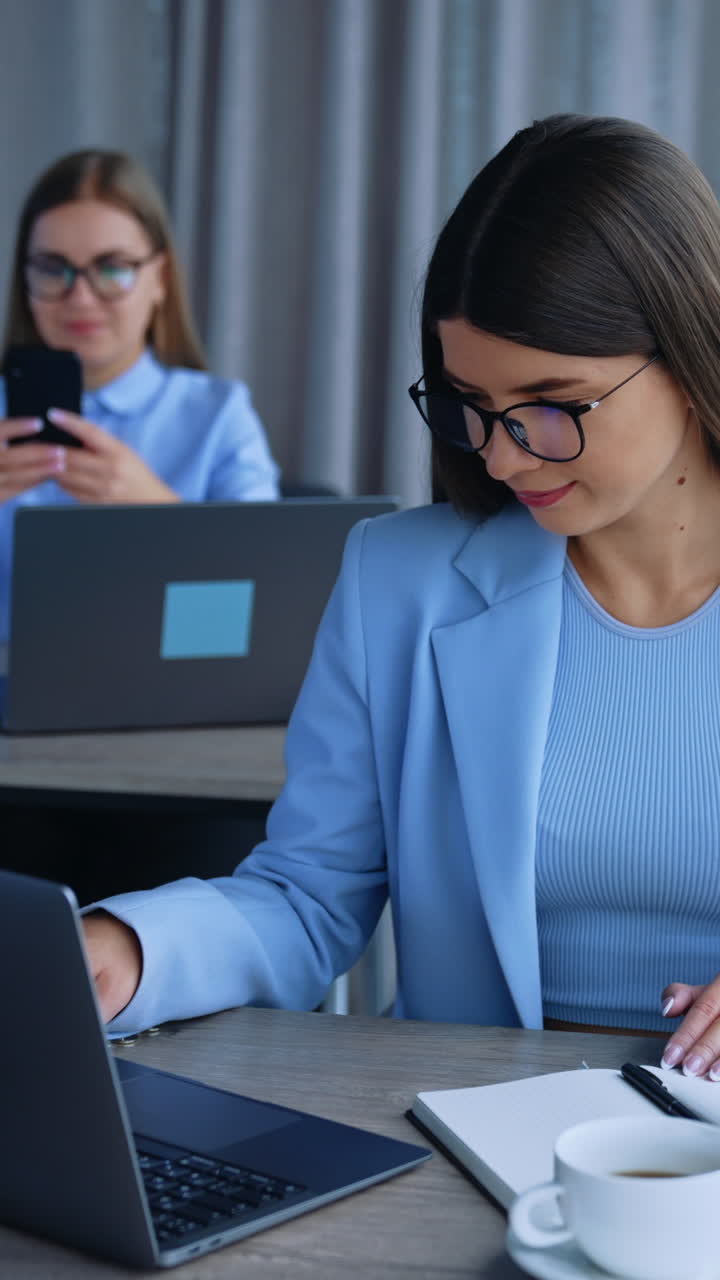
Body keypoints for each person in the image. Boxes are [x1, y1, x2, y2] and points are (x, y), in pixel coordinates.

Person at [86, 113, 720, 1080]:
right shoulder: (401, 581)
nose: (502, 455)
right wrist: (130, 950)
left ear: (687, 351)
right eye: (470, 406)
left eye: (551, 406)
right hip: (471, 1126)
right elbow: (309, 893)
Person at [0, 148, 280, 643]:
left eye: (112, 268)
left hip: (169, 703)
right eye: (52, 268)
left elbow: (261, 608)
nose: (80, 297)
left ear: (160, 280)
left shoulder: (219, 415)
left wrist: (158, 516)